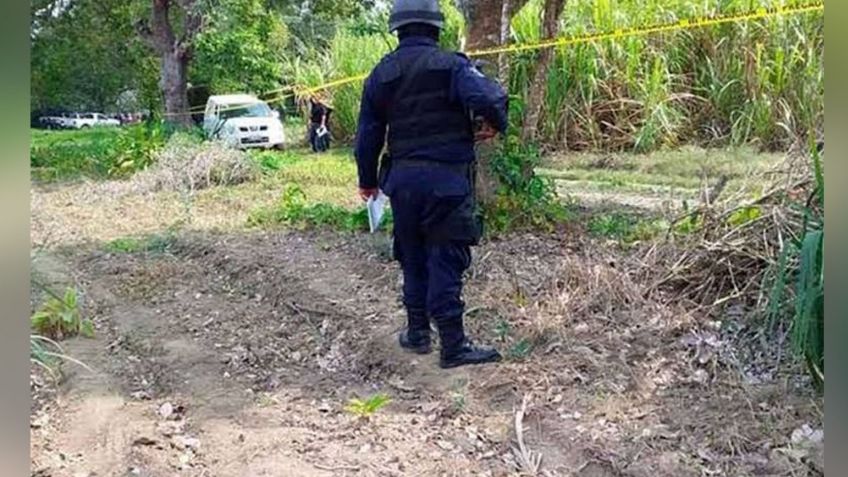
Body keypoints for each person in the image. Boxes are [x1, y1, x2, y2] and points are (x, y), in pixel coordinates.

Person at [354, 0, 508, 369]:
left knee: (412, 253)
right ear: (436, 28)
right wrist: (494, 123)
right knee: (445, 256)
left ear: (397, 30)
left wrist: (368, 182)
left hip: (403, 181)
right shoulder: (454, 66)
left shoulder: (381, 73)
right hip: (447, 180)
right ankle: (453, 346)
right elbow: (489, 97)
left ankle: (418, 333)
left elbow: (367, 136)